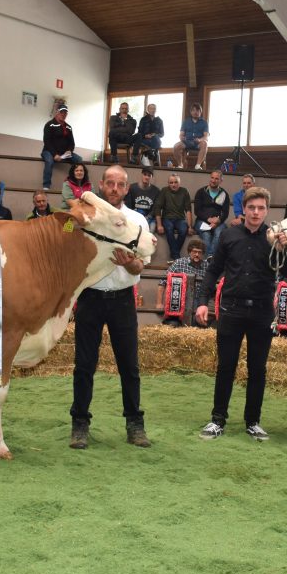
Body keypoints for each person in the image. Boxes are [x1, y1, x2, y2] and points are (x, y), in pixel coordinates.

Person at [196, 186, 287, 441]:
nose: (256, 212)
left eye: (261, 208)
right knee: (225, 367)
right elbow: (213, 270)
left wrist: (285, 249)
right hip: (231, 310)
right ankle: (218, 420)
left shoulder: (274, 238)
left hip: (262, 312)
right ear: (244, 209)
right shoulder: (229, 236)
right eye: (251, 207)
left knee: (257, 370)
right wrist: (202, 301)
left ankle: (253, 421)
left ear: (267, 211)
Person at [70, 165, 151, 450]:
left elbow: (140, 266)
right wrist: (74, 221)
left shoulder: (137, 220)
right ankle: (79, 424)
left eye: (120, 185)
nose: (115, 189)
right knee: (84, 366)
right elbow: (64, 231)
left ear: (127, 189)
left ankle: (135, 424)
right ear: (101, 185)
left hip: (122, 298)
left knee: (129, 366)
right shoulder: (86, 213)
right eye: (110, 184)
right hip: (90, 297)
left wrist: (130, 263)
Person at [158, 238, 209, 327]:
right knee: (173, 322)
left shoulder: (207, 266)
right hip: (179, 298)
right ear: (189, 252)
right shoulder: (179, 263)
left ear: (203, 254)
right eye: (194, 252)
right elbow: (163, 281)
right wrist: (159, 303)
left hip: (199, 299)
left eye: (199, 252)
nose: (197, 254)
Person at [41, 105, 83, 189]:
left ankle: (76, 183)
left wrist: (69, 151)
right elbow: (47, 142)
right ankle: (46, 186)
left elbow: (72, 143)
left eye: (65, 113)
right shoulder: (49, 125)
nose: (63, 114)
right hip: (49, 152)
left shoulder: (68, 127)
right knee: (49, 161)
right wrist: (54, 154)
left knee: (79, 160)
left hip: (64, 154)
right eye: (61, 112)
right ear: (57, 112)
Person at [153, 174, 194, 257]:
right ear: (168, 183)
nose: (173, 185)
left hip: (180, 219)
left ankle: (174, 253)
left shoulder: (184, 191)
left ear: (179, 183)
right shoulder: (164, 190)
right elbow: (157, 208)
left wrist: (190, 226)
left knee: (183, 230)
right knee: (169, 228)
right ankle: (176, 256)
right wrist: (159, 225)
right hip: (167, 218)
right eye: (171, 183)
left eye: (176, 182)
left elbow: (188, 210)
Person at [193, 170, 230, 255]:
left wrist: (218, 221)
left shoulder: (224, 194)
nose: (213, 180)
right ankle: (211, 259)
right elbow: (197, 211)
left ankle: (209, 260)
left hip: (218, 222)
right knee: (206, 235)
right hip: (201, 221)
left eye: (216, 178)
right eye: (212, 178)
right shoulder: (201, 192)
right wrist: (209, 219)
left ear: (221, 181)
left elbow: (225, 212)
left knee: (219, 233)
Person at [174, 102, 209, 171]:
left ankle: (198, 165)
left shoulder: (204, 123)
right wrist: (181, 137)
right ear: (191, 112)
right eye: (193, 110)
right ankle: (180, 165)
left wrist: (200, 140)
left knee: (205, 143)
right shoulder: (186, 122)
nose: (195, 112)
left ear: (200, 112)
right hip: (187, 142)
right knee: (176, 146)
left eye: (198, 110)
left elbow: (206, 136)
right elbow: (181, 134)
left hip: (198, 143)